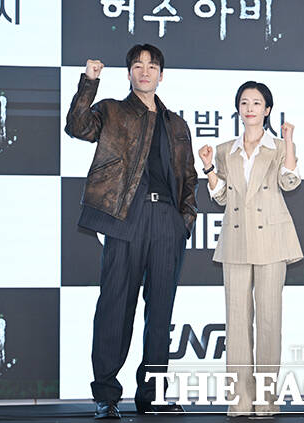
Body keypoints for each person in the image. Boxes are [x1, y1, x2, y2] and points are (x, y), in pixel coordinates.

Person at [64, 43, 198, 419]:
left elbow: (189, 177)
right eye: (137, 65)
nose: (145, 71)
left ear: (161, 75)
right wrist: (89, 82)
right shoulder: (112, 110)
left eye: (152, 66)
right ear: (128, 74)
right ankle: (106, 395)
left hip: (167, 222)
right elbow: (77, 127)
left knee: (161, 311)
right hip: (125, 217)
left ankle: (152, 393)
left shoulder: (176, 124)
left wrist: (183, 221)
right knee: (115, 306)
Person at [198, 81, 303, 416]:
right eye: (244, 102)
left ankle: (266, 400)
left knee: (269, 321)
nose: (250, 108)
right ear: (238, 109)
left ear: (267, 109)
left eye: (257, 103)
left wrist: (289, 141)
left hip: (272, 239)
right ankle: (239, 400)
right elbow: (221, 197)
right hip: (236, 240)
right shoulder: (224, 149)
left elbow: (289, 181)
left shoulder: (279, 146)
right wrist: (209, 168)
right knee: (236, 323)